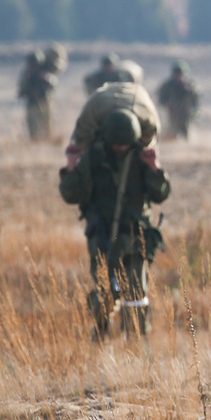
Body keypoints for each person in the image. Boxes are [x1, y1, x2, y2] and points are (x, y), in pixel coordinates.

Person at [59, 82, 170, 340]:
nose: (120, 148)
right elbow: (71, 195)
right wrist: (71, 167)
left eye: (124, 145)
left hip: (135, 232)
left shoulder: (141, 157)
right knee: (104, 289)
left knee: (136, 291)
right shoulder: (93, 157)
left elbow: (161, 194)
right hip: (102, 233)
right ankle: (100, 334)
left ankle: (136, 342)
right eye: (116, 144)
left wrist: (155, 169)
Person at [17, 50, 56, 141]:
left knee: (46, 123)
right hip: (32, 102)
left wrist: (45, 79)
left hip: (44, 101)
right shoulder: (27, 75)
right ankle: (35, 140)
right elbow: (22, 90)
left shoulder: (45, 74)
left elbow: (52, 85)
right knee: (32, 124)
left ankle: (47, 139)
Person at [157, 61, 200, 140]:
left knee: (186, 132)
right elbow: (161, 98)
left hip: (185, 113)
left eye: (180, 73)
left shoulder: (189, 85)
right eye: (177, 73)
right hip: (173, 113)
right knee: (172, 132)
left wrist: (195, 111)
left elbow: (195, 99)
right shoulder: (168, 85)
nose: (178, 76)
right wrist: (166, 105)